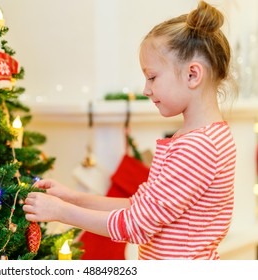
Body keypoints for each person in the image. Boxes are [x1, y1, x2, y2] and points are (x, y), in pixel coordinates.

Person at [23, 1, 237, 260]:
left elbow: (137, 224)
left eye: (152, 77)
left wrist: (61, 212)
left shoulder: (198, 147)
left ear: (193, 75)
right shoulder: (204, 138)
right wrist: (72, 198)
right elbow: (140, 208)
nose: (146, 89)